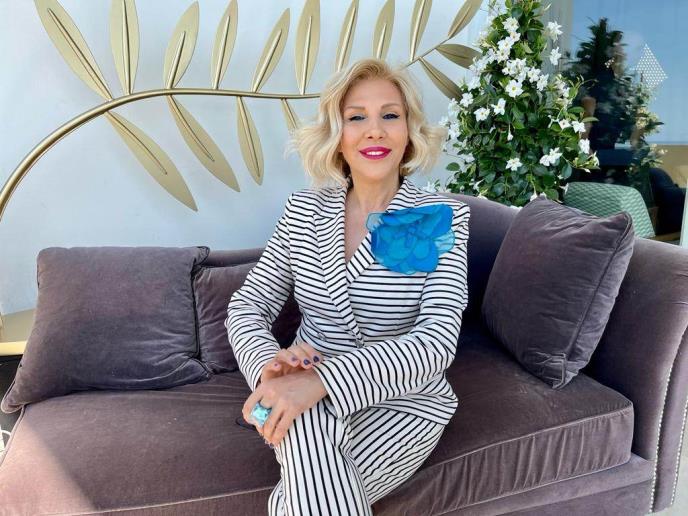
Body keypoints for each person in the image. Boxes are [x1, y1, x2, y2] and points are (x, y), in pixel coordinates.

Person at [225, 58, 470, 516]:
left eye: (390, 115)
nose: (374, 130)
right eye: (356, 117)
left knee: (296, 496)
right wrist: (269, 369)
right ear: (337, 134)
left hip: (404, 402)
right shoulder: (303, 210)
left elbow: (437, 341)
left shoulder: (441, 216)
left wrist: (321, 381)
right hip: (296, 392)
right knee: (308, 436)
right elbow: (248, 306)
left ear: (409, 131)